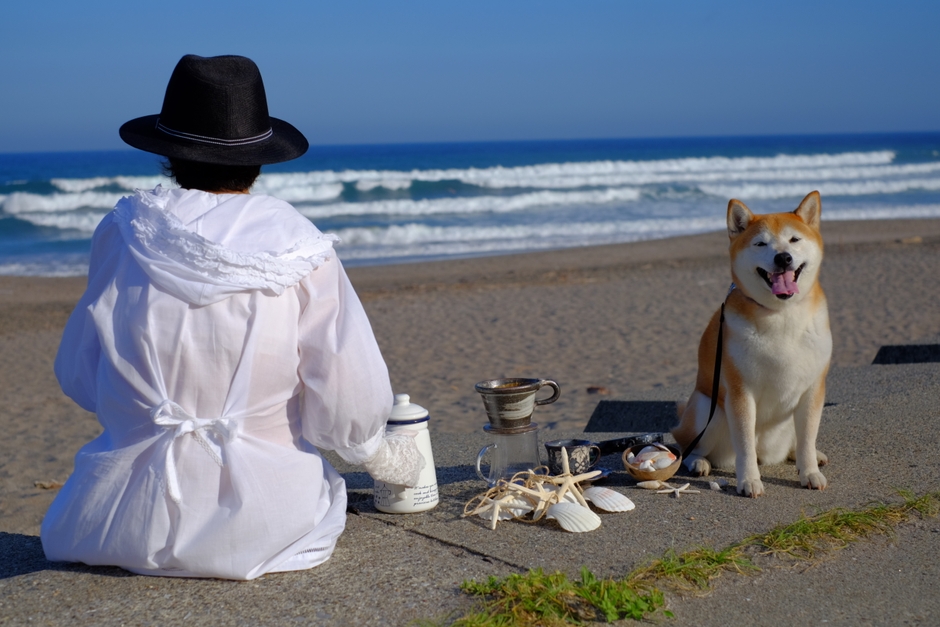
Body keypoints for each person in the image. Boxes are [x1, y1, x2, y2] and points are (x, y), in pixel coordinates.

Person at [41, 54, 424, 580]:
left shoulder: (123, 231)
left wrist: (146, 418)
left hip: (115, 519)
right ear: (260, 159)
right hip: (268, 522)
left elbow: (79, 374)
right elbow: (346, 395)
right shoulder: (295, 246)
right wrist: (377, 452)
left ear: (169, 153)